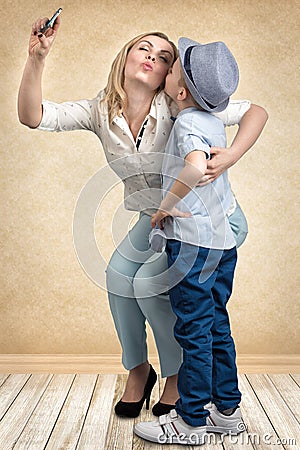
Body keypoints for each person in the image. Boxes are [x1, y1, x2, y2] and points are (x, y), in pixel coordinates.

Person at [18, 13, 268, 419]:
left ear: (172, 76)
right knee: (119, 277)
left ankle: (176, 376)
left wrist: (231, 156)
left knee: (149, 285)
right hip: (156, 219)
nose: (152, 56)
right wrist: (37, 59)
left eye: (164, 55)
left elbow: (256, 111)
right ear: (126, 58)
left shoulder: (179, 107)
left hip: (203, 223)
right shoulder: (101, 111)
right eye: (144, 48)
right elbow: (32, 116)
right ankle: (139, 370)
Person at [134, 38, 250, 445]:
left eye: (174, 67)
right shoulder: (214, 121)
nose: (167, 69)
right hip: (222, 244)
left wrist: (164, 208)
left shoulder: (185, 124)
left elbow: (195, 168)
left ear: (180, 91)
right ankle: (227, 411)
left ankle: (191, 421)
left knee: (194, 330)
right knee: (217, 323)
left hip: (194, 245)